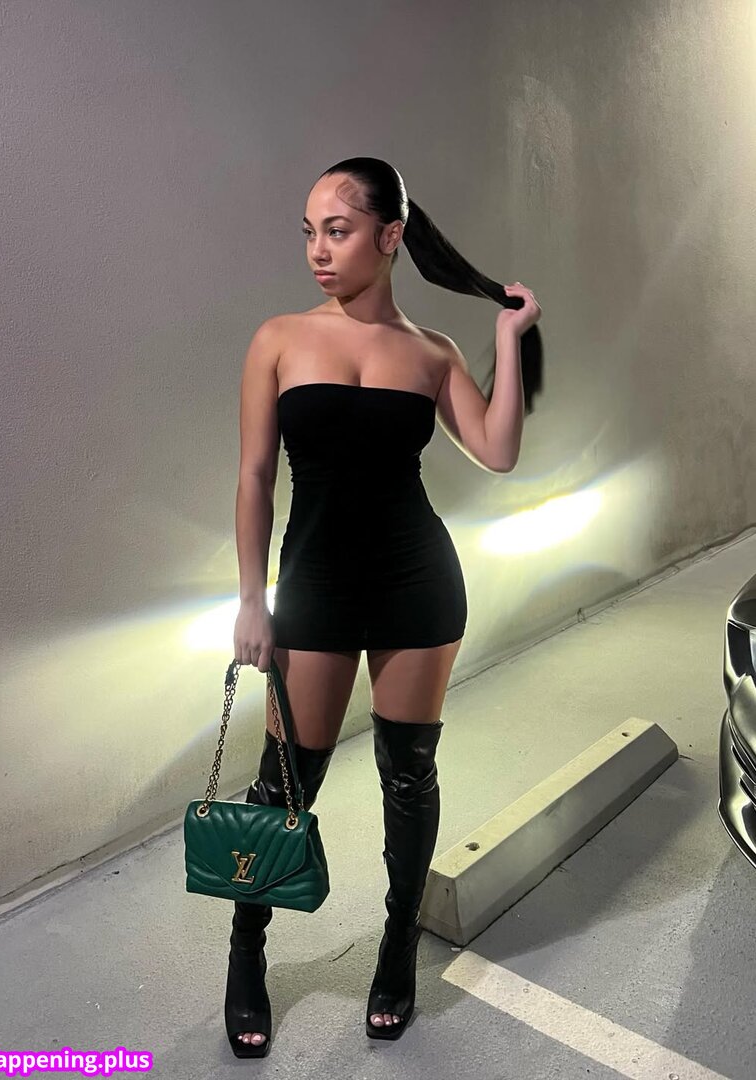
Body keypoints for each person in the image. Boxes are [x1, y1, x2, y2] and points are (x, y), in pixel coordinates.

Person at [227, 156, 542, 1057]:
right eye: (310, 233)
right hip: (315, 588)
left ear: (390, 236)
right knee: (284, 782)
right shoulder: (280, 338)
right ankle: (247, 952)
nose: (318, 251)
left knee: (409, 775)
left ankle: (398, 948)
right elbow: (254, 476)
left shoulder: (432, 353)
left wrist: (508, 338)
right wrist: (252, 600)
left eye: (338, 230)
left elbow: (498, 450)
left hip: (416, 582)